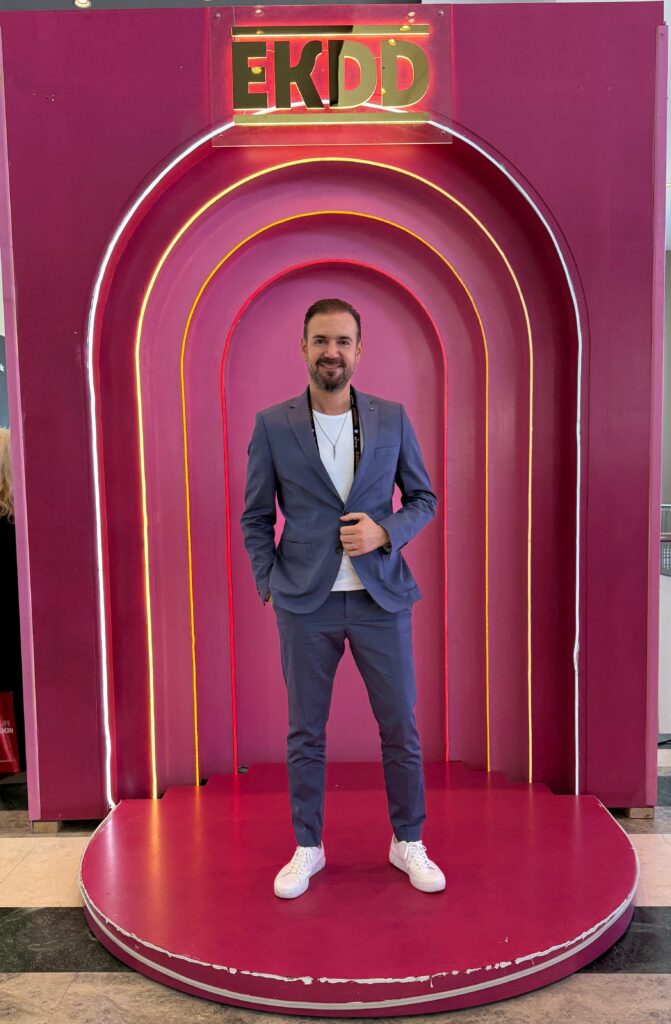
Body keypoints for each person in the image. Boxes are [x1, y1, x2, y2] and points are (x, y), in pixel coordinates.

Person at [240, 298, 445, 899]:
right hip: (305, 602)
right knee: (305, 732)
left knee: (400, 726)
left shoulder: (391, 418)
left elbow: (424, 499)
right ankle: (308, 846)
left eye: (343, 341)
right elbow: (255, 516)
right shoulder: (272, 425)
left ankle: (408, 840)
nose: (332, 351)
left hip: (381, 598)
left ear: (359, 350)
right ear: (304, 348)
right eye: (321, 340)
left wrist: (385, 532)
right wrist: (268, 583)